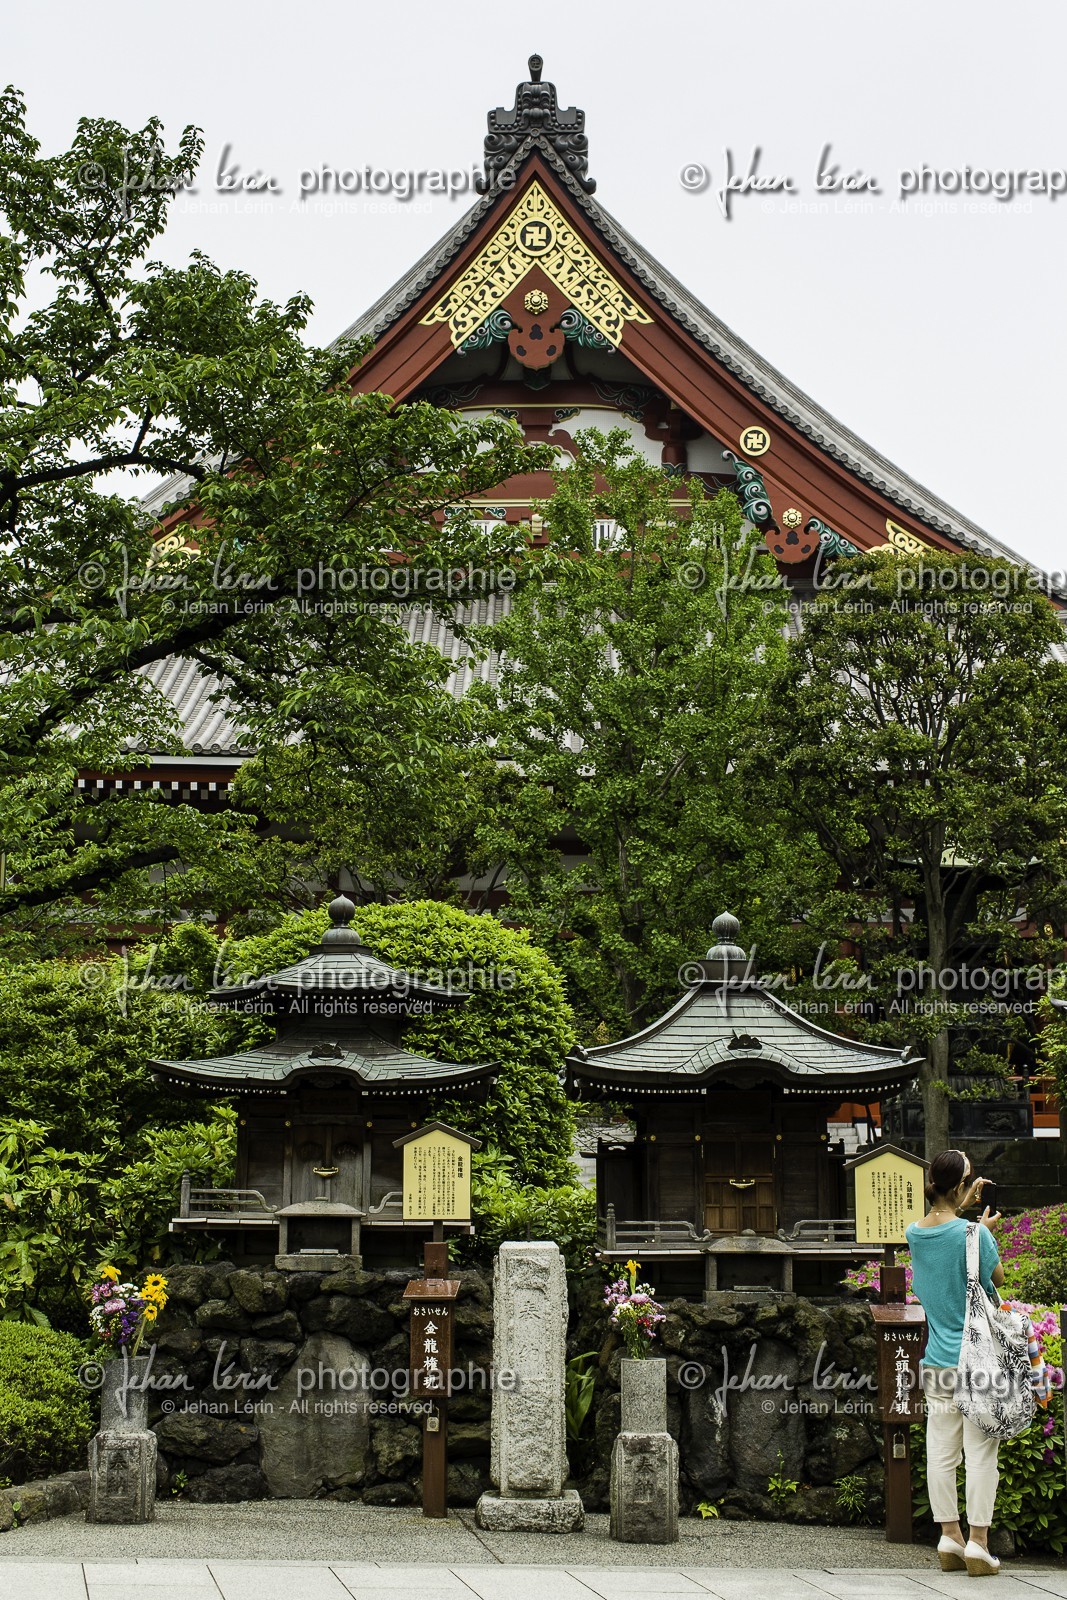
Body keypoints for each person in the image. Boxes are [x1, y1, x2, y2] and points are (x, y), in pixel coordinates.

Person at [906, 1148, 1005, 1577]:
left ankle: (949, 1536)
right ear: (963, 1187)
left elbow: (943, 1237)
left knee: (941, 1452)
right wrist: (984, 1231)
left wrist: (968, 1216)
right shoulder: (974, 1235)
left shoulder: (914, 1232)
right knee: (982, 1456)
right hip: (978, 1361)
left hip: (937, 1363)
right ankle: (979, 1544)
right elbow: (995, 1280)